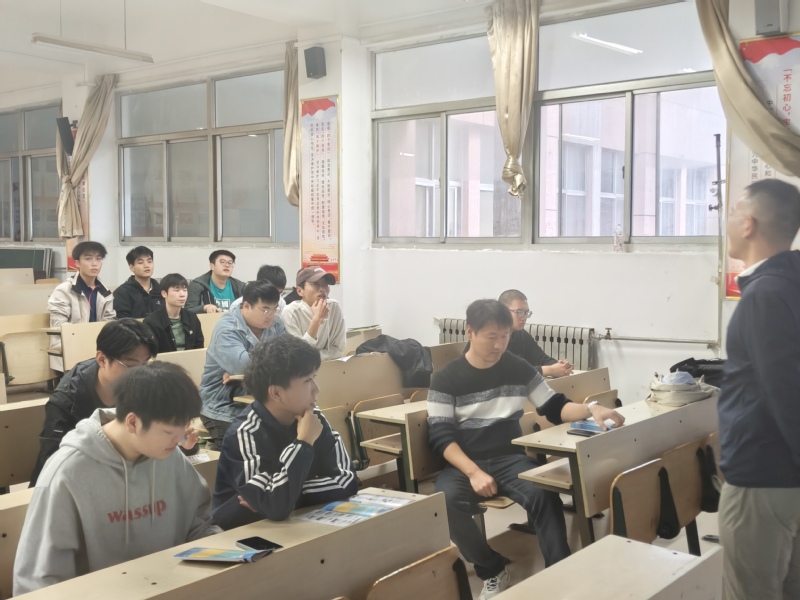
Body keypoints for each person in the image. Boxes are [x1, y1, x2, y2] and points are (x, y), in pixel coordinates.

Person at [427, 299, 624, 599]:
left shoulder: (517, 368)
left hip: (509, 458)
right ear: (469, 332)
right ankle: (491, 568)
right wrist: (474, 472)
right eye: (491, 337)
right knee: (445, 501)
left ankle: (560, 574)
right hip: (464, 463)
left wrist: (591, 408)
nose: (499, 345)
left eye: (505, 337)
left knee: (545, 494)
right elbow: (441, 436)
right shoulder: (446, 378)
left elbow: (554, 406)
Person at [14, 362, 220, 595]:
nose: (180, 440)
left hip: (168, 588)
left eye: (183, 429)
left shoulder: (168, 455)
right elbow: (40, 579)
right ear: (133, 422)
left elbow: (199, 524)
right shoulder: (67, 472)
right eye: (169, 432)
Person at [717, 178, 800, 600]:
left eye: (732, 211)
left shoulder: (764, 295)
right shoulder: (788, 283)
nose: (727, 219)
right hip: (785, 476)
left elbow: (785, 392)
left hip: (762, 475)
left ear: (748, 224)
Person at [212, 334, 358, 529]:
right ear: (276, 393)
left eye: (314, 378)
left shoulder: (313, 418)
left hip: (294, 523)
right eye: (307, 381)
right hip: (241, 532)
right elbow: (275, 506)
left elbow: (347, 480)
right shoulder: (244, 433)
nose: (316, 389)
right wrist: (303, 443)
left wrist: (289, 496)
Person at [30, 318, 158, 486]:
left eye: (145, 364)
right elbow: (54, 465)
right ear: (102, 360)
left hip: (121, 476)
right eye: (131, 366)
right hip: (74, 483)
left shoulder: (142, 386)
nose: (141, 374)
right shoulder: (67, 401)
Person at [199, 280, 285, 449]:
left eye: (275, 309)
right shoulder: (227, 329)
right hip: (223, 405)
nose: (271, 315)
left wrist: (247, 370)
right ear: (246, 306)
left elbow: (291, 357)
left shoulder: (275, 324)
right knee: (242, 447)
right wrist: (248, 370)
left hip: (261, 401)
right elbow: (245, 367)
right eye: (265, 309)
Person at [464, 290, 572, 377]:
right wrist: (549, 370)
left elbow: (541, 358)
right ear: (504, 311)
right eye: (519, 312)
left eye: (526, 313)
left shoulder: (521, 334)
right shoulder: (488, 339)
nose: (524, 317)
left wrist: (560, 366)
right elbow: (506, 373)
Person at [48, 241, 116, 370]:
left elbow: (109, 322)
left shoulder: (105, 292)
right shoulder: (64, 290)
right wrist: (87, 338)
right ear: (77, 263)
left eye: (98, 259)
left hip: (98, 348)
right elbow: (59, 325)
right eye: (88, 258)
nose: (94, 263)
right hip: (70, 347)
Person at [282, 266, 346, 361]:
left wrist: (312, 356)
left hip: (331, 367)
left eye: (325, 284)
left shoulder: (334, 307)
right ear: (300, 291)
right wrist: (316, 321)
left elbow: (339, 350)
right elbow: (299, 355)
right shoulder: (291, 312)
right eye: (316, 284)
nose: (322, 289)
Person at [143, 273, 204, 353]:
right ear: (164, 293)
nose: (182, 294)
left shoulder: (192, 318)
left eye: (185, 290)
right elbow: (150, 352)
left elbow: (199, 347)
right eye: (176, 290)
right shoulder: (151, 322)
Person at [186, 250, 246, 314]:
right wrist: (204, 307)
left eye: (230, 263)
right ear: (212, 266)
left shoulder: (240, 286)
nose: (227, 265)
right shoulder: (198, 285)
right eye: (222, 262)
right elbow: (187, 311)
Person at [113, 246, 163, 318]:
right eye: (140, 262)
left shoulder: (161, 291)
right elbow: (123, 321)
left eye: (149, 261)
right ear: (132, 267)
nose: (146, 265)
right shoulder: (122, 293)